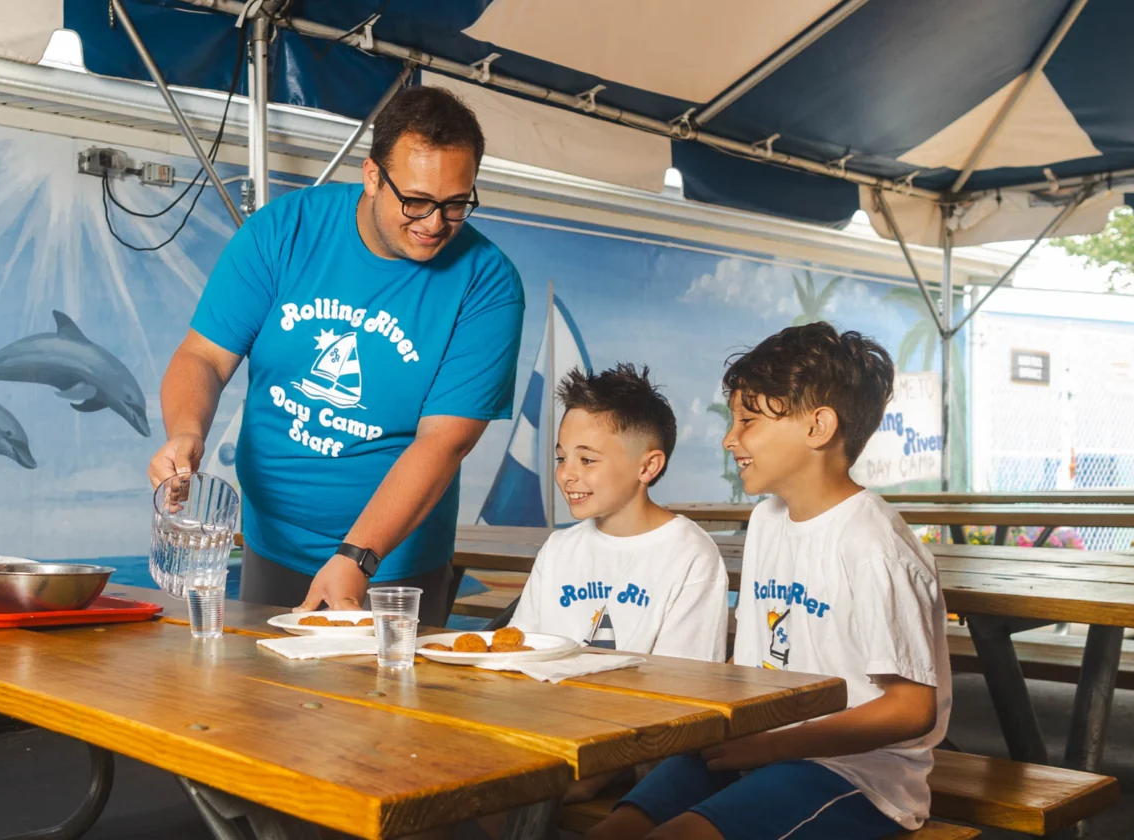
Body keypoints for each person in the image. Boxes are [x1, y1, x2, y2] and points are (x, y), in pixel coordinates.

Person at [148, 87, 524, 626]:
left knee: (383, 708)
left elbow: (445, 442)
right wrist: (186, 432)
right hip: (271, 544)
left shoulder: (488, 283)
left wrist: (359, 556)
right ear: (372, 176)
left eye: (456, 203)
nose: (435, 223)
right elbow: (203, 356)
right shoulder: (284, 231)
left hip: (394, 564)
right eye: (416, 201)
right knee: (263, 704)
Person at [589, 322, 951, 840]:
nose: (728, 437)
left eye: (748, 420)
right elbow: (752, 663)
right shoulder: (766, 521)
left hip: (855, 775)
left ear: (818, 427)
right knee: (614, 829)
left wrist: (773, 746)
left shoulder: (872, 545)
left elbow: (913, 708)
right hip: (765, 745)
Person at [509, 363, 727, 662]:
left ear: (648, 466)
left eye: (587, 459)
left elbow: (684, 681)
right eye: (562, 457)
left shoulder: (691, 555)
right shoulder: (558, 548)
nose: (565, 474)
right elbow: (519, 650)